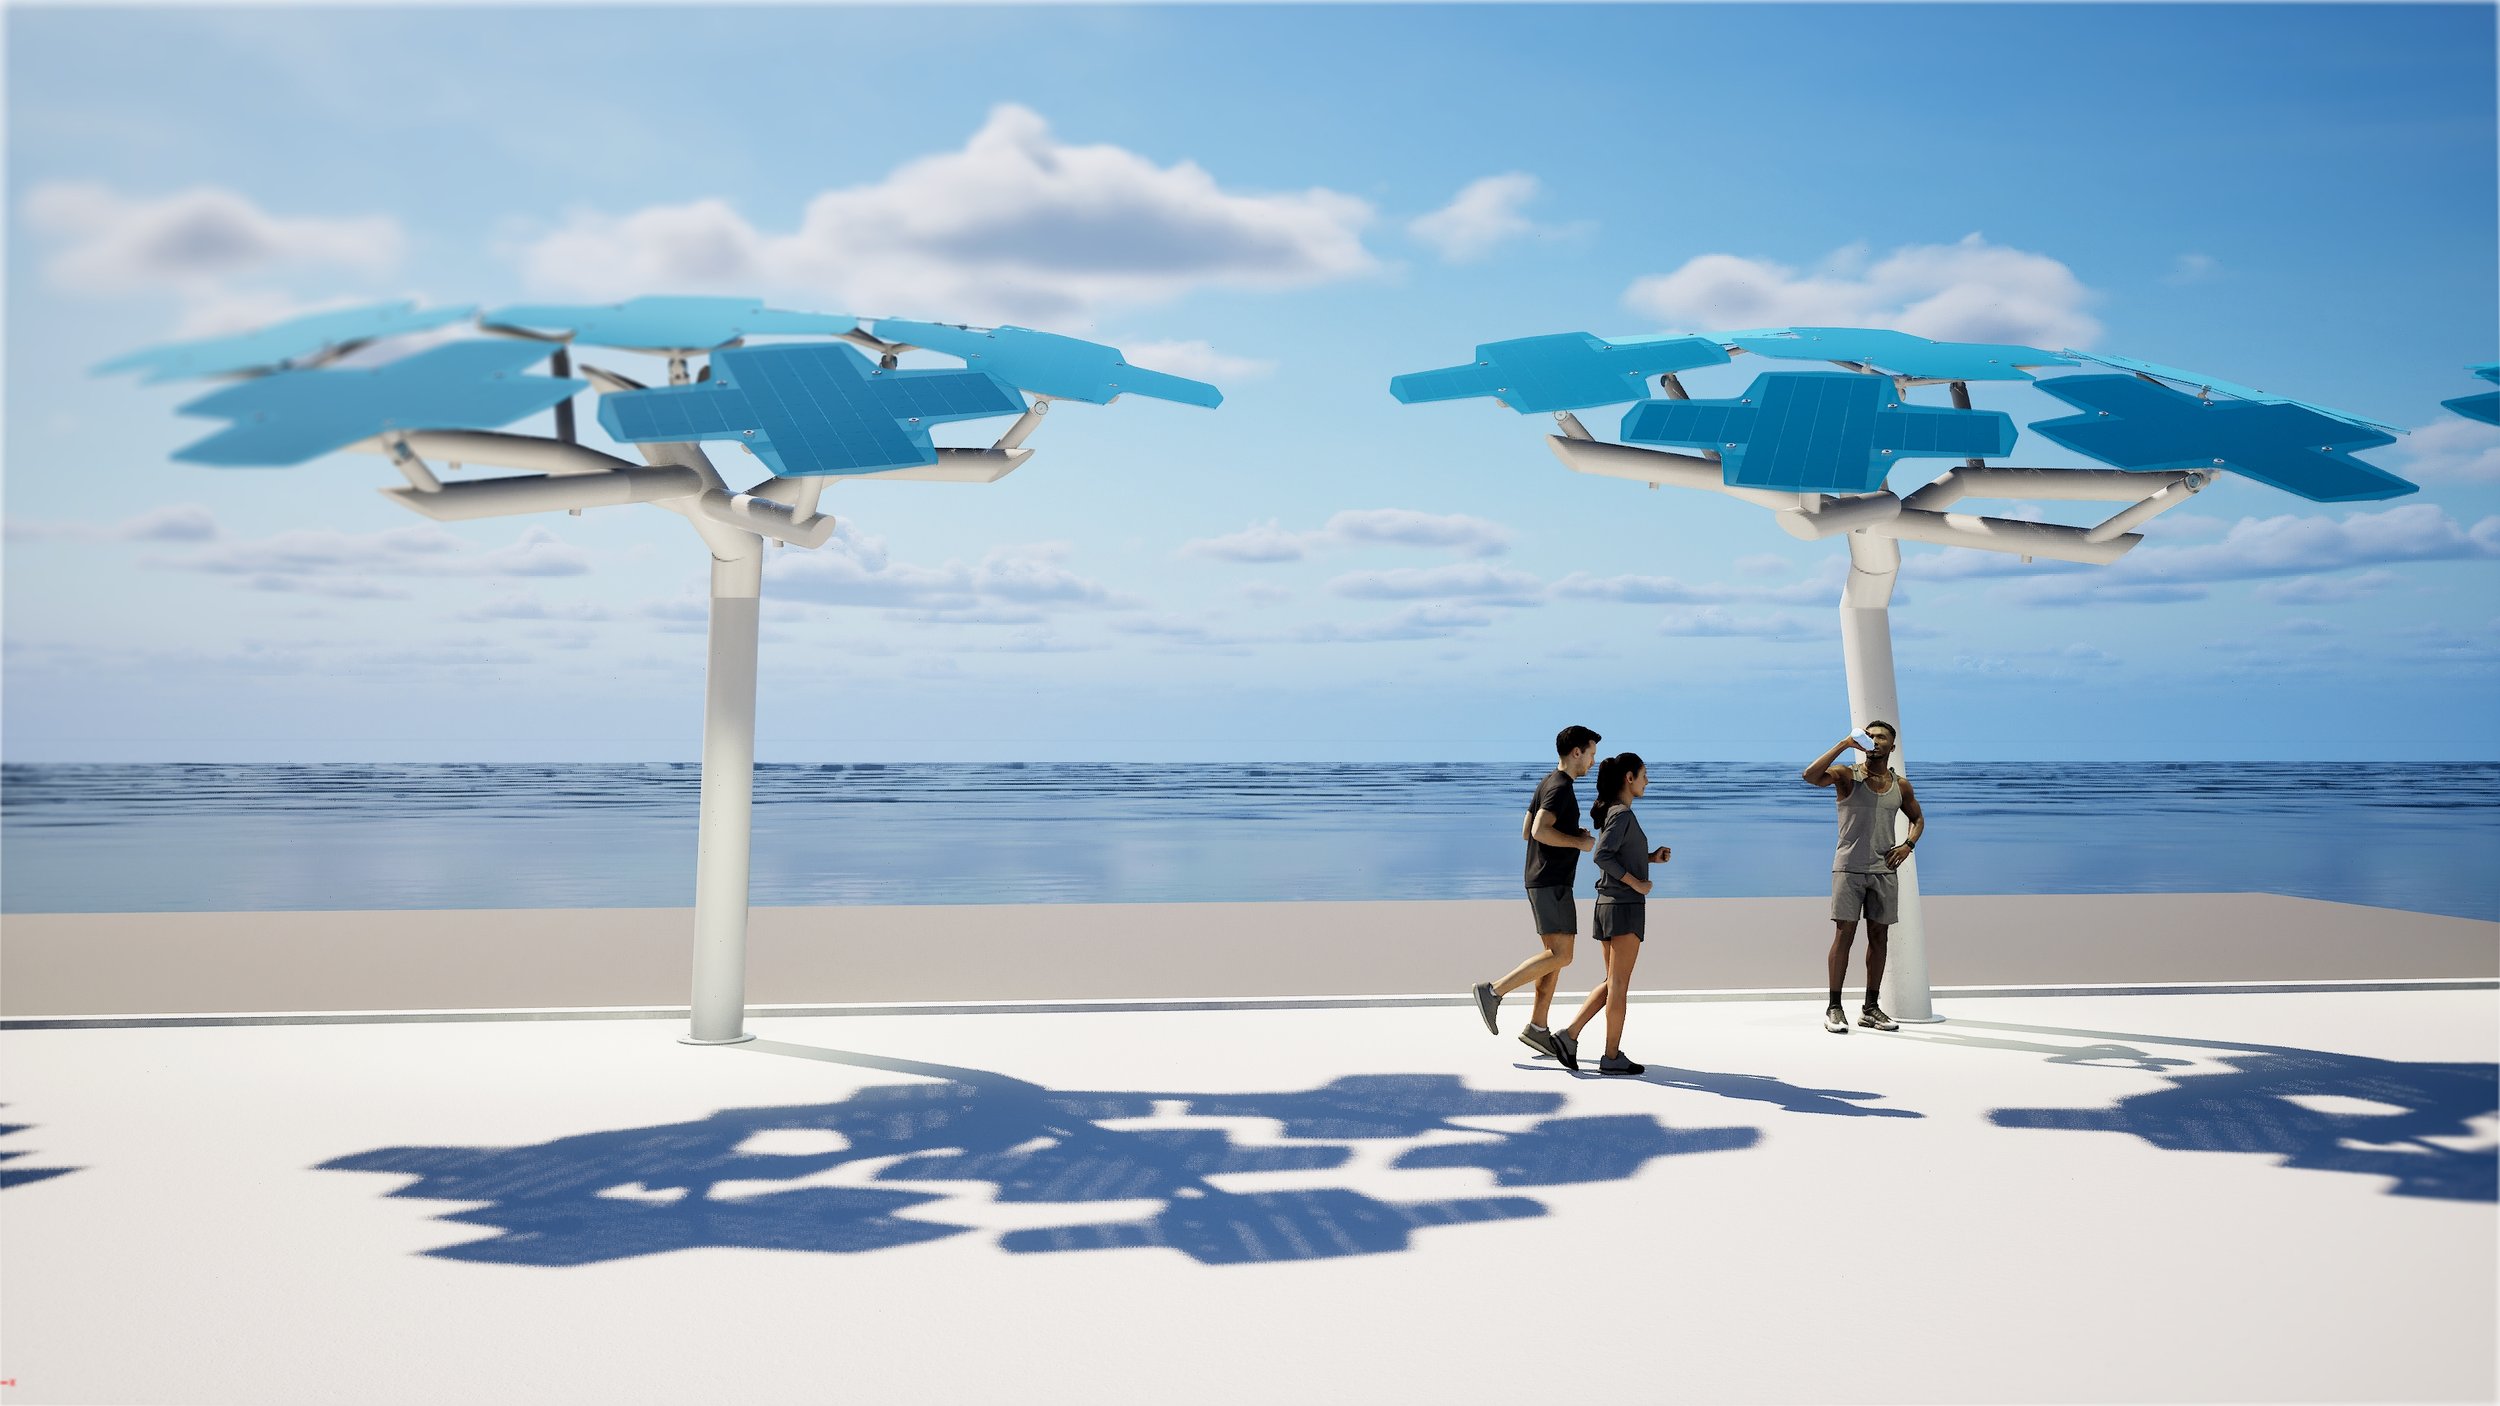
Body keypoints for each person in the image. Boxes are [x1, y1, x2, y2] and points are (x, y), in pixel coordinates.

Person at [1473, 725, 1600, 1060]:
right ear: (1576, 752)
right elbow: (1539, 830)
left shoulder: (1547, 782)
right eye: (1591, 754)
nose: (1593, 761)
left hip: (1540, 878)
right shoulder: (1560, 788)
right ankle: (1493, 991)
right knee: (1563, 954)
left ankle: (1538, 1028)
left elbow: (1526, 830)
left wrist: (1571, 830)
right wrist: (1579, 842)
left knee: (1551, 958)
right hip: (1552, 881)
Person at [1800, 721, 1925, 1034]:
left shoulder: (1902, 785)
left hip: (1884, 870)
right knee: (1844, 934)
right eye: (1869, 736)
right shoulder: (1847, 775)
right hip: (1849, 868)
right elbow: (1810, 776)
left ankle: (1870, 1008)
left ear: (1891, 747)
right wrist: (1844, 744)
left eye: (1881, 737)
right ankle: (1834, 1007)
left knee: (1879, 937)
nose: (1875, 741)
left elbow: (1918, 819)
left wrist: (1908, 845)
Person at [1557, 752, 1673, 1074]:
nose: (1648, 781)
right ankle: (1610, 1057)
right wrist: (1637, 883)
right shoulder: (1622, 814)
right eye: (1644, 775)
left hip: (1610, 905)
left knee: (1612, 982)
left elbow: (1616, 854)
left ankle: (1569, 1036)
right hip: (1623, 907)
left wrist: (1649, 858)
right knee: (1619, 985)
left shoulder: (1617, 814)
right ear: (1629, 778)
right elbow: (1602, 856)